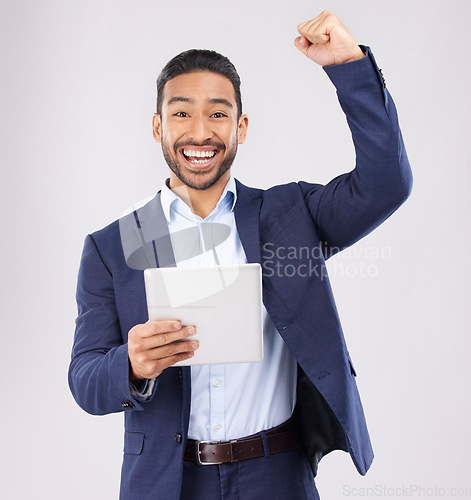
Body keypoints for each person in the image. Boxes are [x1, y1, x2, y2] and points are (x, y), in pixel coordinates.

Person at [69, 10, 412, 500]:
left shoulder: (289, 215)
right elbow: (84, 379)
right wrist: (131, 363)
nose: (200, 132)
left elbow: (386, 184)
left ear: (241, 126)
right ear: (157, 126)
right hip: (169, 481)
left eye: (218, 113)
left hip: (276, 473)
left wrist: (349, 67)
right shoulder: (113, 246)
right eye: (181, 113)